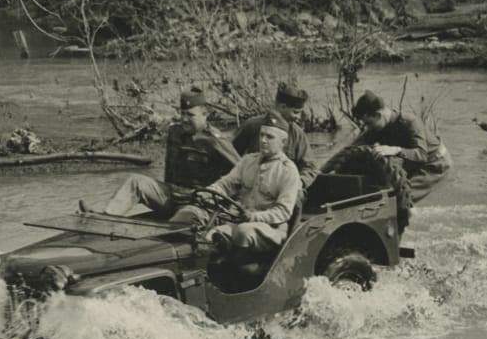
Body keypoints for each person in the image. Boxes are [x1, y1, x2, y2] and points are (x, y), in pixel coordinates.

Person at [85, 87, 240, 217]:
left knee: (181, 223)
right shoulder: (175, 132)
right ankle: (106, 218)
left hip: (197, 204)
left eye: (190, 115)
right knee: (135, 182)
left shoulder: (216, 141)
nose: (184, 119)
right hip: (170, 195)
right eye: (182, 113)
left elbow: (242, 175)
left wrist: (225, 206)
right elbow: (170, 169)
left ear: (205, 115)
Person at [172, 111, 301, 263]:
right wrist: (209, 193)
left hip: (271, 229)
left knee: (243, 232)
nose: (263, 140)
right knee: (198, 227)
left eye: (269, 137)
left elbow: (283, 212)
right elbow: (226, 184)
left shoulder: (288, 170)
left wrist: (254, 217)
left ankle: (240, 276)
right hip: (237, 220)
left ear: (283, 142)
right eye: (261, 135)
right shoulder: (248, 161)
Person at [346, 89, 452, 203]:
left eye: (369, 123)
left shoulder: (410, 122)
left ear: (378, 115)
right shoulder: (377, 126)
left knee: (400, 197)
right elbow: (348, 151)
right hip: (412, 161)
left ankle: (409, 216)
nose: (368, 128)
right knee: (381, 188)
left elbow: (421, 155)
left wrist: (394, 150)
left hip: (435, 163)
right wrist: (326, 171)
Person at [232, 82, 319, 199]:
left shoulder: (297, 133)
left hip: (283, 190)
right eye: (295, 112)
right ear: (282, 107)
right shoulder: (251, 126)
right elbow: (230, 155)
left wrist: (299, 183)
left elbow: (310, 167)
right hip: (251, 188)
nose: (298, 117)